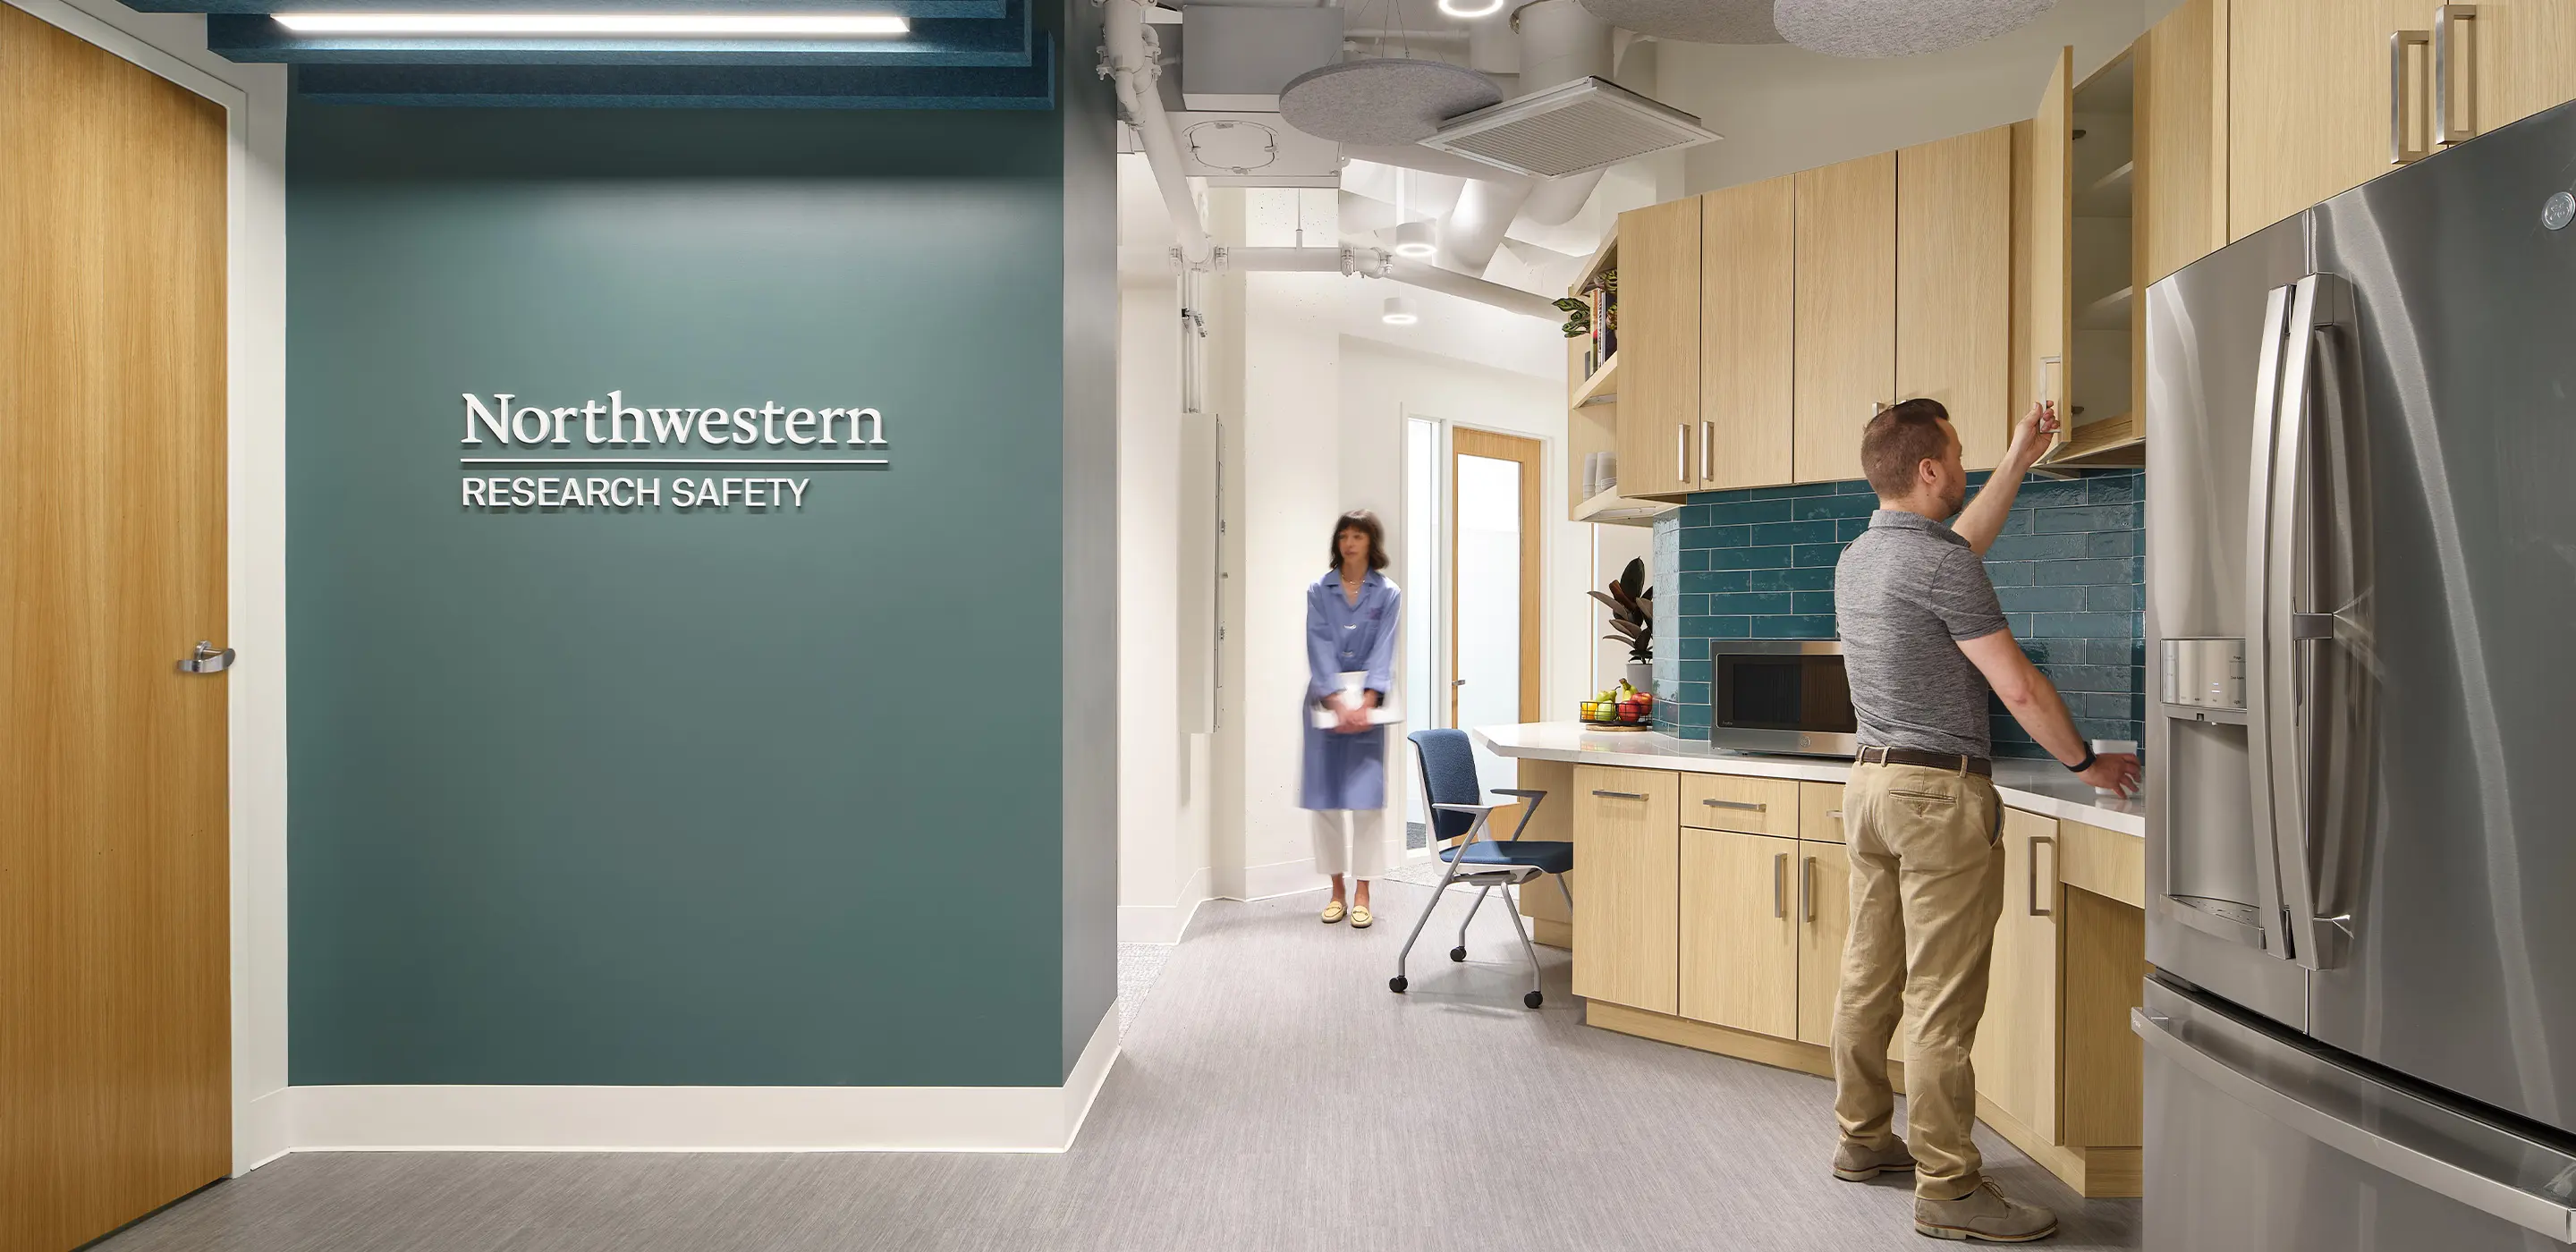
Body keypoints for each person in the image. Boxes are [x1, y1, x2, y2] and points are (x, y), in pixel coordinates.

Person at [1828, 398, 2141, 1244]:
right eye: (1957, 457)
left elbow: (1957, 546)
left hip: (1870, 791)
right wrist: (2087, 762)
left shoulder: (1862, 557)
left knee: (1869, 976)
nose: (1961, 467)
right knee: (1939, 1002)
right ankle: (1950, 1189)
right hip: (1937, 798)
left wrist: (2016, 458)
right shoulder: (1940, 567)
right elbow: (2018, 687)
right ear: (1928, 470)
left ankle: (1862, 1142)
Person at [1302, 510, 1401, 929]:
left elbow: (1385, 647)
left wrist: (1369, 698)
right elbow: (1318, 642)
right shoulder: (1318, 589)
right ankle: (1336, 889)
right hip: (1326, 704)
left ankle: (1363, 891)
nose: (1349, 543)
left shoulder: (1388, 592)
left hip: (1370, 707)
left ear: (1371, 542)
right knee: (1325, 802)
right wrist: (1336, 700)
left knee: (1365, 802)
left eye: (1357, 535)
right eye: (1343, 535)